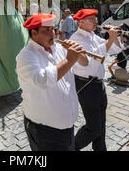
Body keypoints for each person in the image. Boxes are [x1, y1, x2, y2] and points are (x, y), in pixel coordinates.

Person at [16, 14, 89, 151]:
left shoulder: (60, 49)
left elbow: (85, 64)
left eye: (53, 29)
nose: (53, 34)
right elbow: (42, 80)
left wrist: (79, 53)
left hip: (67, 125)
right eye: (46, 31)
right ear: (34, 32)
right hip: (45, 130)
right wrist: (69, 60)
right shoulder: (26, 55)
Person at [69, 9, 123, 151]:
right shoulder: (76, 39)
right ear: (81, 22)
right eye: (92, 19)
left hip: (98, 84)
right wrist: (110, 39)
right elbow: (91, 60)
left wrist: (114, 36)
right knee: (93, 127)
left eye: (95, 18)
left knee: (102, 124)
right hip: (86, 85)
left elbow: (115, 50)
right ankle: (72, 147)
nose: (96, 21)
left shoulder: (93, 36)